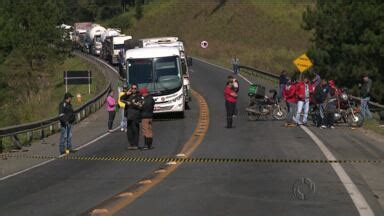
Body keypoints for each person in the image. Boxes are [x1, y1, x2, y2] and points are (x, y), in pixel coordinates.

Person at [121, 84, 142, 150]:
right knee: (129, 131)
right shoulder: (128, 95)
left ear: (137, 89)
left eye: (135, 88)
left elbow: (140, 104)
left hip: (135, 115)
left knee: (135, 130)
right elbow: (121, 99)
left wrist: (132, 104)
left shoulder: (139, 95)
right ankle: (131, 144)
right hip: (128, 115)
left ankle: (135, 144)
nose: (133, 89)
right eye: (132, 88)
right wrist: (126, 93)